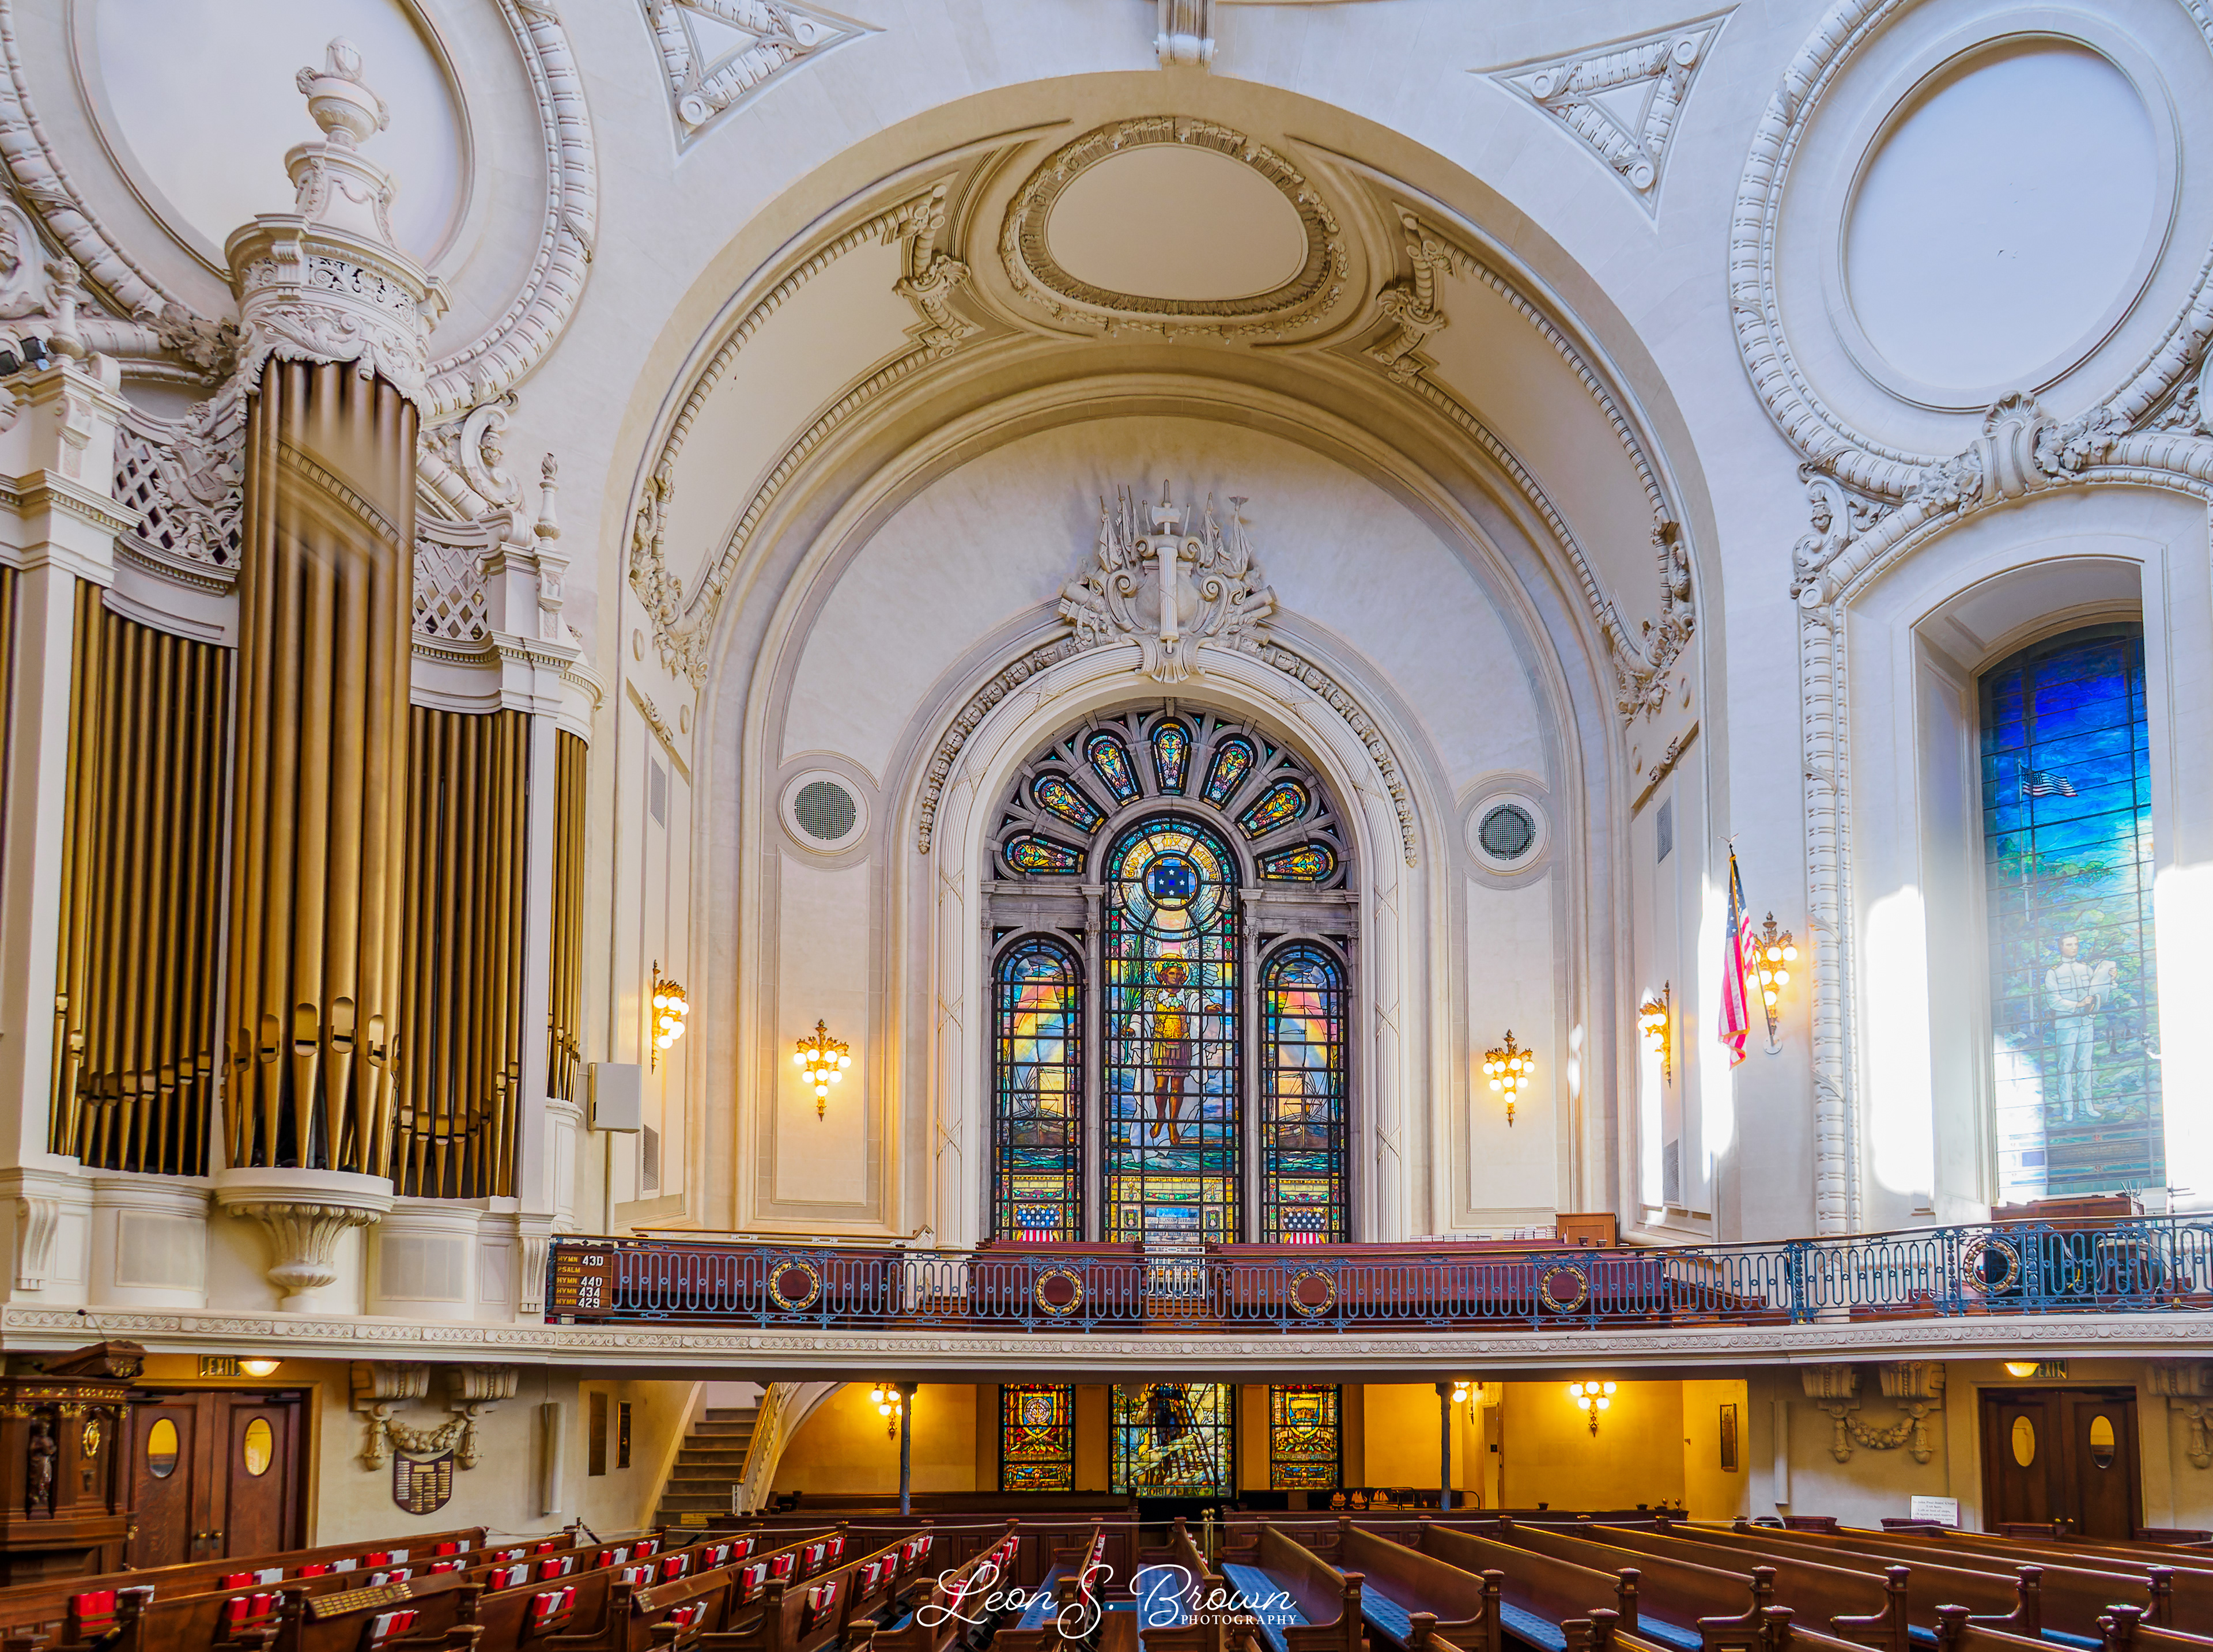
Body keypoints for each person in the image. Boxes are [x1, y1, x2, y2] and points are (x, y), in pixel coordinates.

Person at [2045, 934, 2114, 1122]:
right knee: (2065, 1067)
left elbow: (2098, 989)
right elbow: (2053, 1000)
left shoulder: (2085, 968)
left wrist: (2111, 979)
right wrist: (2078, 1004)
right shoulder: (2054, 972)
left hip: (2086, 1022)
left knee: (2085, 1066)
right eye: (2069, 945)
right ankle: (2068, 1109)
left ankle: (2086, 1106)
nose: (2074, 948)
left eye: (2076, 944)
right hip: (2066, 1025)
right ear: (2060, 947)